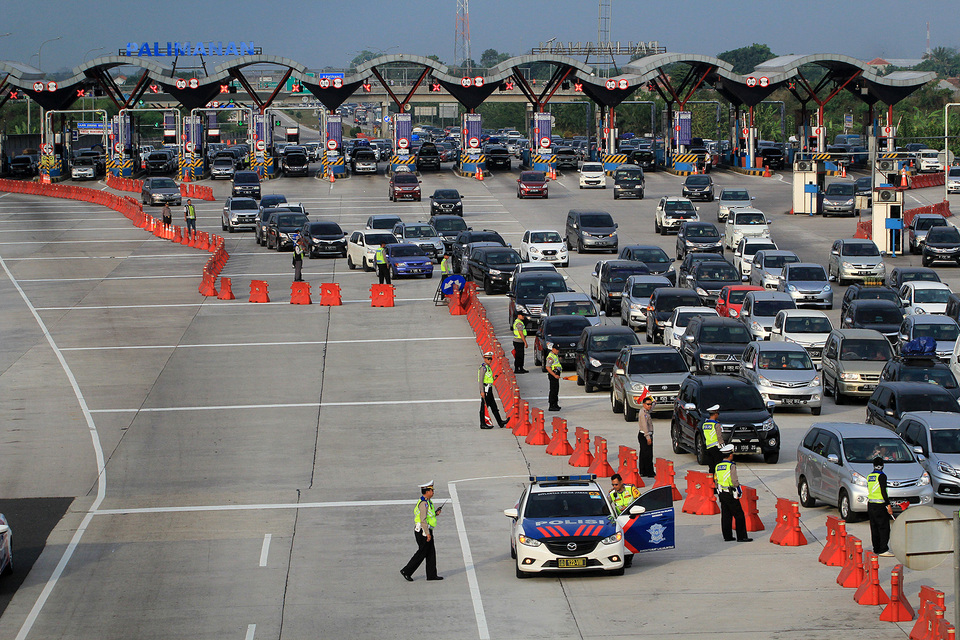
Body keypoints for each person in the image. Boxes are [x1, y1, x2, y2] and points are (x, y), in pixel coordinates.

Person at [401, 480, 444, 582]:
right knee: (422, 553)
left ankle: (431, 575)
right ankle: (407, 571)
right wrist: (427, 534)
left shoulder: (428, 501)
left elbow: (429, 516)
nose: (433, 492)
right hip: (423, 531)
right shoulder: (423, 503)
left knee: (430, 553)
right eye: (431, 490)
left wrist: (436, 514)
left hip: (426, 530)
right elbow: (422, 519)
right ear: (427, 491)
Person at [715, 444, 752, 542]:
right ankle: (742, 537)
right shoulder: (731, 466)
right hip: (730, 493)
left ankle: (727, 536)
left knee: (726, 515)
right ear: (730, 455)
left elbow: (716, 479)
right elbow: (734, 480)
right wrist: (738, 490)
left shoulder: (718, 466)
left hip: (722, 492)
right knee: (739, 515)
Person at [867, 457, 894, 557]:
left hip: (871, 504)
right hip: (880, 505)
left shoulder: (870, 476)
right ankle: (883, 549)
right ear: (882, 465)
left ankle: (876, 548)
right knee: (884, 528)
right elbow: (883, 491)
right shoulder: (882, 476)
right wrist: (888, 505)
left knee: (874, 528)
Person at [479, 351, 505, 428]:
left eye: (491, 359)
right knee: (483, 407)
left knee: (494, 406)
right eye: (488, 359)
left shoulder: (488, 367)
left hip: (489, 389)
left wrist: (494, 378)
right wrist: (482, 391)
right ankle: (483, 423)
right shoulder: (483, 368)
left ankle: (500, 422)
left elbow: (488, 379)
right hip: (485, 389)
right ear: (484, 358)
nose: (490, 360)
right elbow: (481, 380)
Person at [701, 404, 725, 474]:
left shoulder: (705, 424)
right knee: (718, 466)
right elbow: (719, 436)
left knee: (711, 467)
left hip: (708, 447)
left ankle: (711, 482)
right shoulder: (716, 424)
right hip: (716, 448)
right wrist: (723, 447)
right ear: (715, 414)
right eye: (718, 413)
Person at [637, 396, 655, 477]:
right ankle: (649, 472)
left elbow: (651, 409)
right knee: (648, 454)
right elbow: (645, 426)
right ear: (643, 404)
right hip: (645, 435)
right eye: (648, 404)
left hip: (645, 435)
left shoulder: (646, 411)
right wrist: (648, 437)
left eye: (650, 404)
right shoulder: (643, 413)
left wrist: (654, 402)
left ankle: (643, 471)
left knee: (644, 453)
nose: (649, 406)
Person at [546, 343, 562, 412]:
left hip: (556, 375)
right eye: (556, 349)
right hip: (553, 375)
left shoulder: (555, 355)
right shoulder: (550, 357)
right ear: (553, 349)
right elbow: (548, 367)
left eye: (558, 350)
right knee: (553, 390)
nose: (557, 351)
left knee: (556, 390)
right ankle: (551, 405)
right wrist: (554, 375)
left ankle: (555, 404)